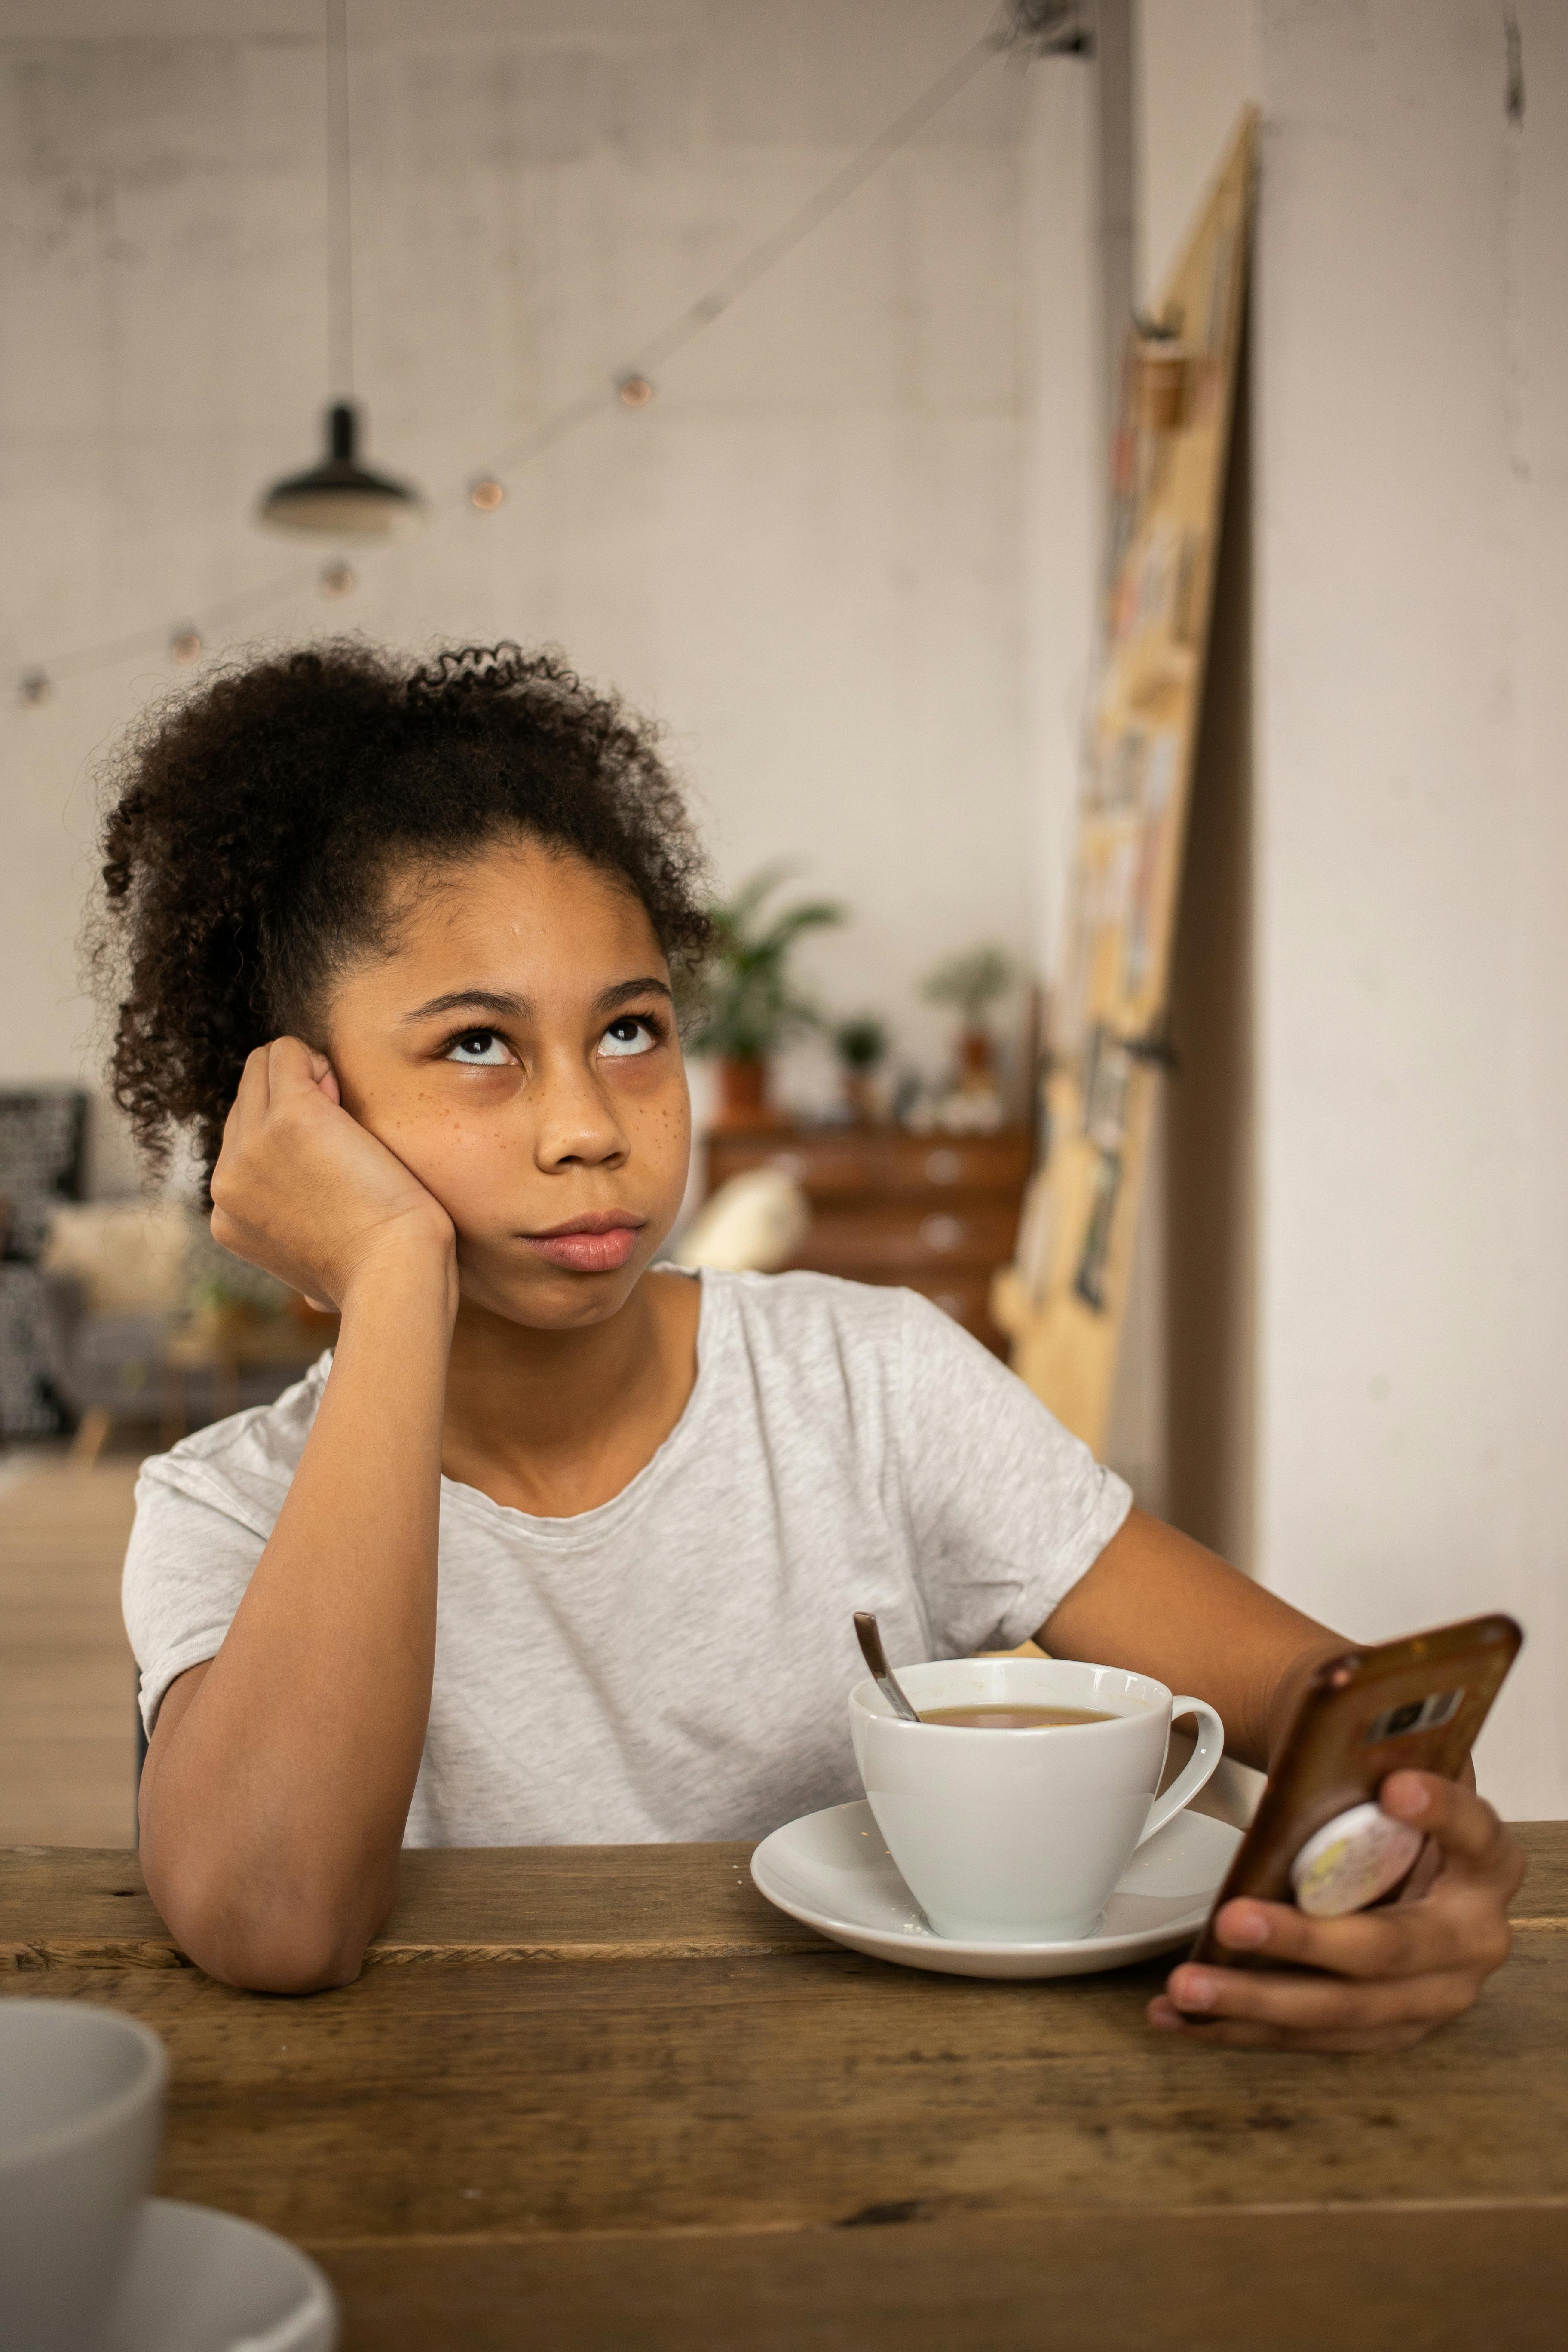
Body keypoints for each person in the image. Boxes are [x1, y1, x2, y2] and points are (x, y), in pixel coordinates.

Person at [103, 641, 1521, 2040]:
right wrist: (393, 1275)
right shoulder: (220, 1508)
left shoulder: (872, 1385)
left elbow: (1312, 1698)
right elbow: (275, 1917)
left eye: (632, 1030)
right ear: (297, 1109)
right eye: (478, 1044)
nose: (589, 1125)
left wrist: (1413, 1850)